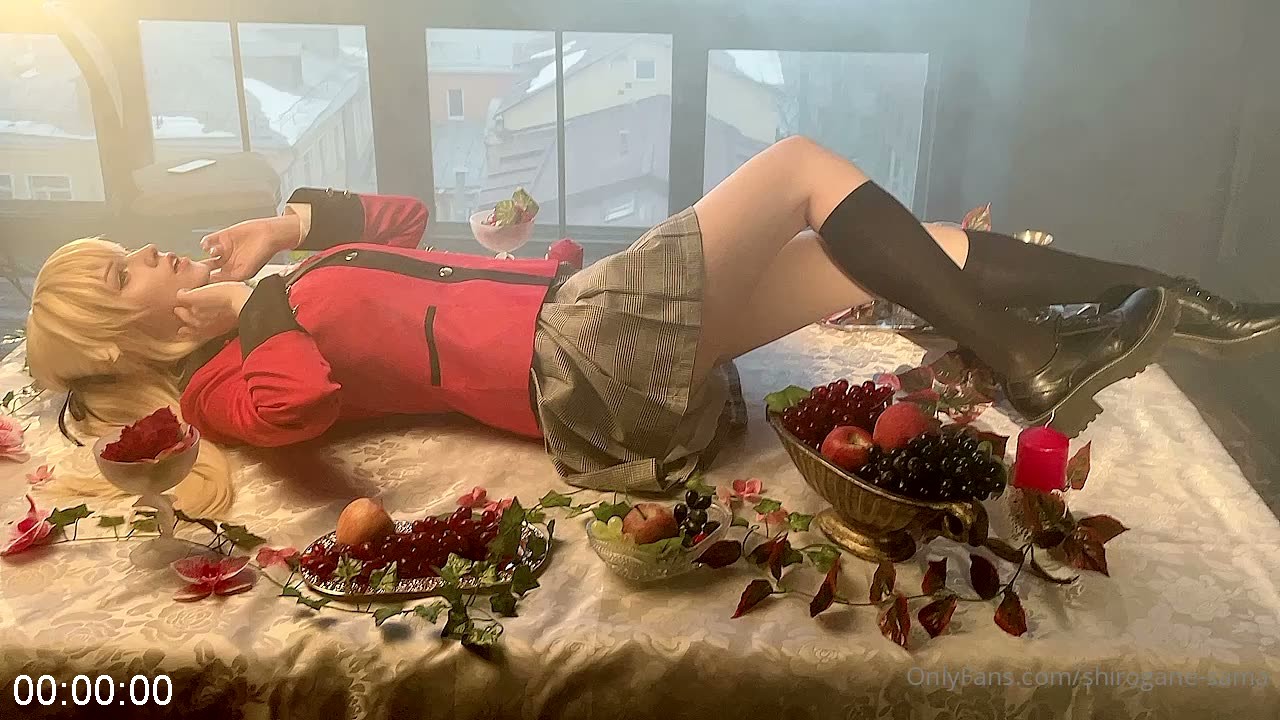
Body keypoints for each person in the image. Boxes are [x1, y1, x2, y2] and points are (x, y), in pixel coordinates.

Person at [25, 137, 1280, 515]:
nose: (147, 252)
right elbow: (299, 406)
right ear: (120, 337)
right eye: (120, 273)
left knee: (853, 249)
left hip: (582, 323)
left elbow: (402, 218)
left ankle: (1151, 298)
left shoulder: (257, 282)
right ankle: (1037, 356)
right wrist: (263, 300)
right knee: (800, 167)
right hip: (568, 366)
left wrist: (285, 229)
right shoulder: (217, 384)